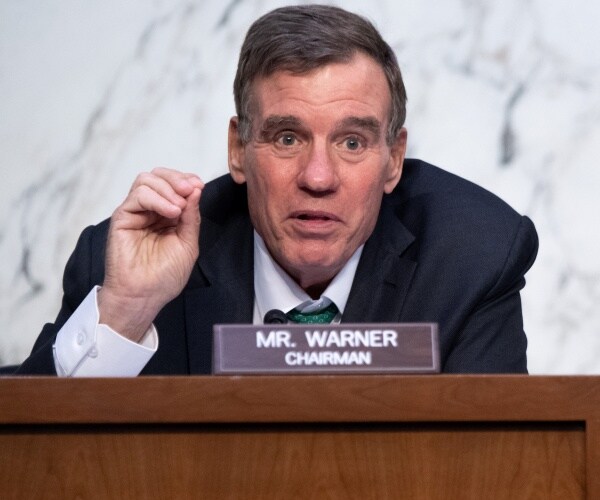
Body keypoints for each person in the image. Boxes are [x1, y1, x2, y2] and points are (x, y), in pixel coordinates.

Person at [16, 5, 538, 376]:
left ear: (393, 159)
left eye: (352, 142)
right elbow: (24, 459)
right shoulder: (133, 263)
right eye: (287, 138)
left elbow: (493, 464)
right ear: (238, 149)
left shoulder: (473, 256)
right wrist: (124, 314)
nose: (318, 177)